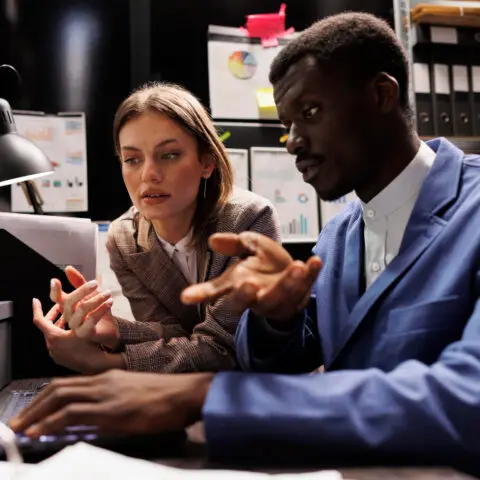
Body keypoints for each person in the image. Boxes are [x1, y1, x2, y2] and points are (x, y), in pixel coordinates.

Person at [11, 12, 480, 470]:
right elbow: (291, 357)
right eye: (286, 125)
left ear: (381, 94)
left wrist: (204, 395)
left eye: (310, 113)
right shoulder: (342, 233)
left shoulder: (471, 209)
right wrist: (276, 319)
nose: (293, 142)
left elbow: (465, 400)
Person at [31, 82, 280, 374]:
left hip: (261, 388)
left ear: (207, 163)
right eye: (132, 159)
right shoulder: (124, 239)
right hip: (185, 392)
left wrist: (109, 363)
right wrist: (111, 330)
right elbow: (173, 335)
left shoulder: (248, 220)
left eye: (170, 155)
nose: (148, 174)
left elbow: (223, 349)